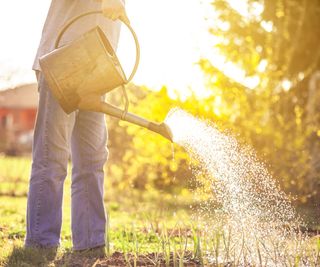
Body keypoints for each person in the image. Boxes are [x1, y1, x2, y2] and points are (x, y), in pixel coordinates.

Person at [25, 0, 129, 253]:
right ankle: (41, 243)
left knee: (92, 160)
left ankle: (90, 242)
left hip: (97, 68)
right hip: (62, 61)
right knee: (52, 157)